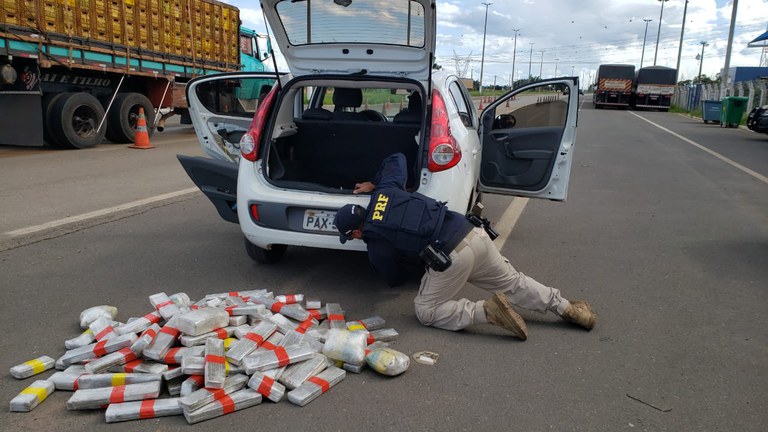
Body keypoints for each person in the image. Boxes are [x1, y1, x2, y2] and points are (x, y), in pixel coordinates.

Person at [334, 153, 596, 340]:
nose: (357, 237)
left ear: (357, 230)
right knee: (513, 281)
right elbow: (396, 158)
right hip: (473, 232)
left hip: (450, 255)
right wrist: (375, 182)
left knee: (426, 310)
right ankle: (567, 308)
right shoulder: (385, 191)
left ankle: (487, 312)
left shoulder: (376, 243)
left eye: (353, 236)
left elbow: (395, 279)